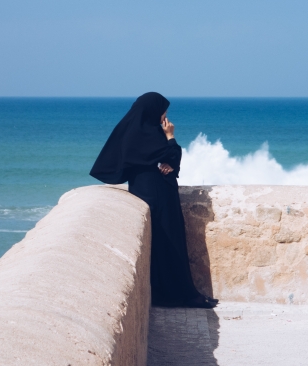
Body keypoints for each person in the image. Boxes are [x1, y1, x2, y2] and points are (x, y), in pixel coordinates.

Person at [89, 92, 217, 309]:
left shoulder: (140, 133)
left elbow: (169, 162)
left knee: (167, 242)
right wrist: (170, 138)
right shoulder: (150, 135)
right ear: (152, 110)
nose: (165, 115)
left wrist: (168, 161)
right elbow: (172, 156)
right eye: (163, 110)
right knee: (169, 242)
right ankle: (181, 295)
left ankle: (177, 294)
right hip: (156, 194)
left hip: (153, 192)